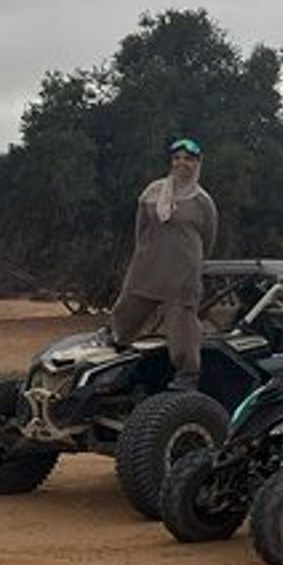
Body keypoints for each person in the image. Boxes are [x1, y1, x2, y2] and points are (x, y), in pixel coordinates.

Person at [109, 137, 218, 390]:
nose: (182, 164)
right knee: (128, 307)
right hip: (148, 265)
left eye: (188, 159)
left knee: (182, 325)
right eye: (177, 158)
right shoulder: (152, 193)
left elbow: (209, 237)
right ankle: (117, 344)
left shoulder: (203, 201)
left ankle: (187, 374)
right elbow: (141, 229)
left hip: (183, 273)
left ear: (198, 163)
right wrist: (146, 252)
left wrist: (193, 261)